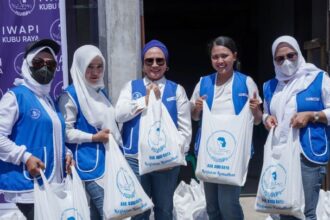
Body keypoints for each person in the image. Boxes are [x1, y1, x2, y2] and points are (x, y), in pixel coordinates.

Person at [115, 39, 192, 220]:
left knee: (164, 209)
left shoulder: (177, 90)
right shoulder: (131, 87)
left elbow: (185, 129)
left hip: (166, 162)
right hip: (135, 159)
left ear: (166, 65)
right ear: (143, 65)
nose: (155, 65)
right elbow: (119, 115)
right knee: (139, 210)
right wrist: (145, 100)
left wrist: (175, 156)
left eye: (160, 60)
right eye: (149, 61)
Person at [190, 36, 263, 220]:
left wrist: (255, 111)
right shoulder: (203, 82)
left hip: (234, 154)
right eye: (215, 57)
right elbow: (194, 116)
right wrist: (197, 108)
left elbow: (257, 121)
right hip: (210, 153)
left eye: (225, 55)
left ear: (235, 56)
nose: (220, 61)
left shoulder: (246, 82)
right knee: (212, 206)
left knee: (228, 204)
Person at [0, 39, 73, 220]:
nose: (45, 68)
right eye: (38, 62)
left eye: (50, 64)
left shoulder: (48, 99)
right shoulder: (15, 97)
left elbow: (52, 136)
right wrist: (25, 157)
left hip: (52, 185)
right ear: (27, 65)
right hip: (28, 188)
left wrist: (67, 152)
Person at [263, 35, 330, 220]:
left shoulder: (318, 78)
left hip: (306, 153)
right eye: (280, 58)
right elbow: (267, 113)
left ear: (298, 54)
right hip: (281, 153)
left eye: (290, 55)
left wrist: (312, 115)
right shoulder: (270, 86)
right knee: (284, 208)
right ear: (274, 61)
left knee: (306, 211)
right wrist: (267, 118)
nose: (286, 61)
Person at [58, 45, 122, 220]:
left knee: (98, 214)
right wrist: (94, 137)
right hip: (88, 163)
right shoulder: (70, 95)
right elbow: (65, 132)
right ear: (79, 67)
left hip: (108, 160)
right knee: (111, 213)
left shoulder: (101, 92)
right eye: (89, 67)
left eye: (99, 66)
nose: (95, 72)